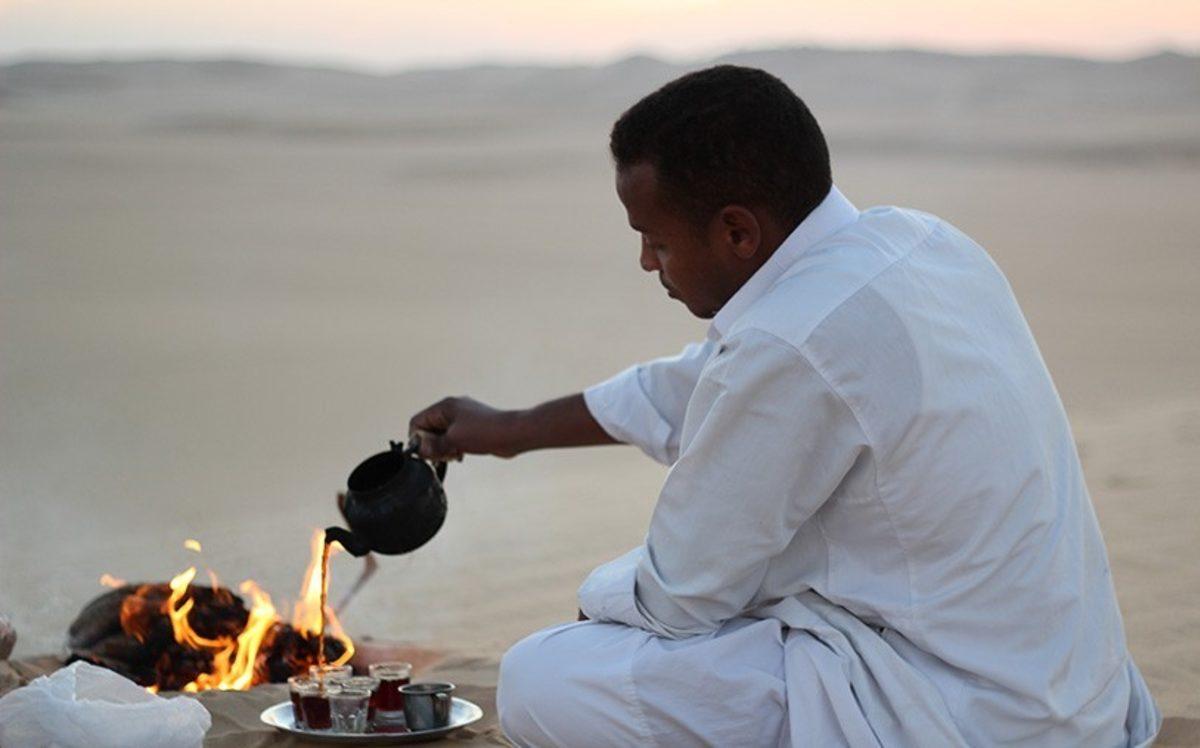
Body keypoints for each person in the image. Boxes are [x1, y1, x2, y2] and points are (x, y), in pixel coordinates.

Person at [408, 66, 1160, 747]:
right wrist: (508, 429)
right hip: (1071, 695)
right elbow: (700, 384)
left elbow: (678, 596)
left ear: (737, 231)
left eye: (656, 241)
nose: (645, 263)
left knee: (544, 677)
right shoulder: (922, 242)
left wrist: (600, 602)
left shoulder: (793, 340)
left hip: (961, 714)